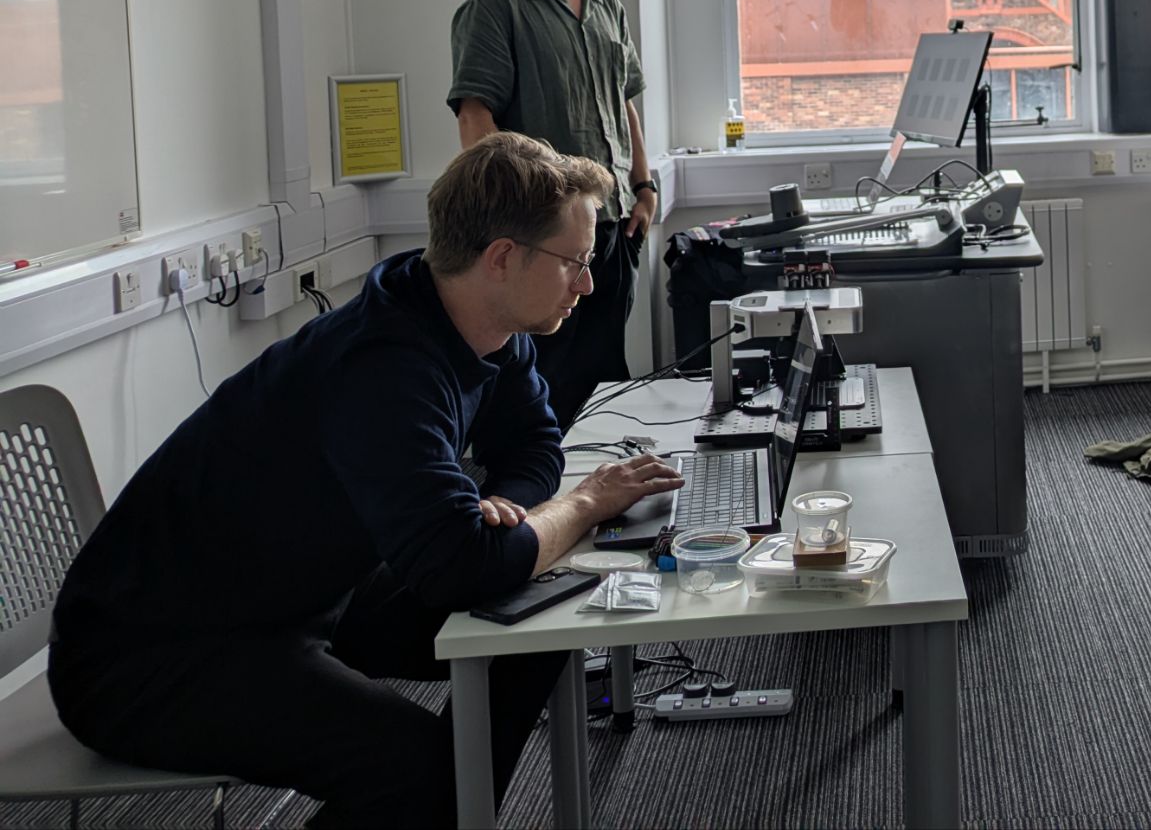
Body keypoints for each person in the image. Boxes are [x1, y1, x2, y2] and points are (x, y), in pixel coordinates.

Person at [48, 133, 685, 827]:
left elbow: (533, 442)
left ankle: (454, 813)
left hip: (305, 593)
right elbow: (460, 568)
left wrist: (510, 508)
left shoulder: (479, 321)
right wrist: (583, 505)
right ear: (502, 258)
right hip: (153, 654)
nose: (588, 284)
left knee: (536, 628)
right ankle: (443, 805)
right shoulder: (384, 368)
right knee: (413, 769)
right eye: (576, 262)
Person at [449, 0, 658, 427]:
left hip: (613, 226)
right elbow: (475, 117)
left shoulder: (605, 0)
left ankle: (601, 482)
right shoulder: (495, 4)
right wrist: (511, 219)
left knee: (605, 381)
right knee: (544, 387)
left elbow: (624, 101)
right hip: (542, 237)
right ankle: (541, 484)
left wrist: (644, 187)